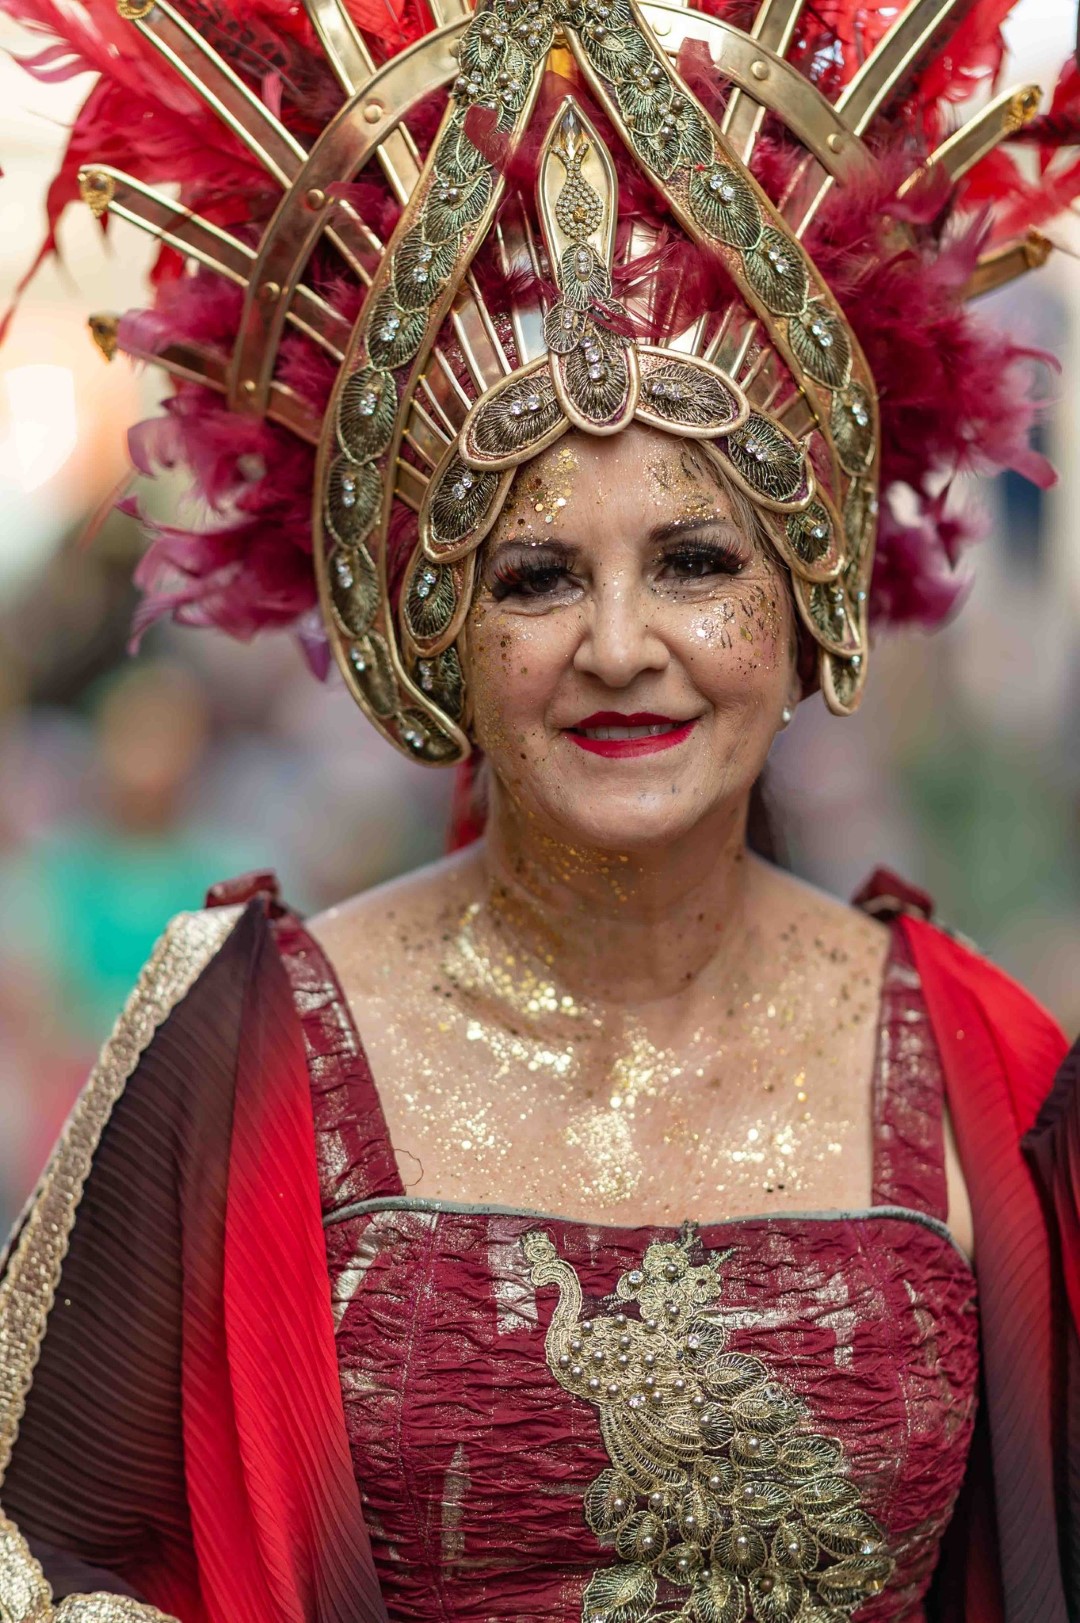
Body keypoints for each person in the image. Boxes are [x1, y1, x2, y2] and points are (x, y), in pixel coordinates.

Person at [0, 0, 1077, 1618]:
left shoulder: (993, 1068)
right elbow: (42, 1559)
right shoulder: (241, 1047)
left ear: (807, 607)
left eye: (695, 563)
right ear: (434, 631)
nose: (621, 647)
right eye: (538, 577)